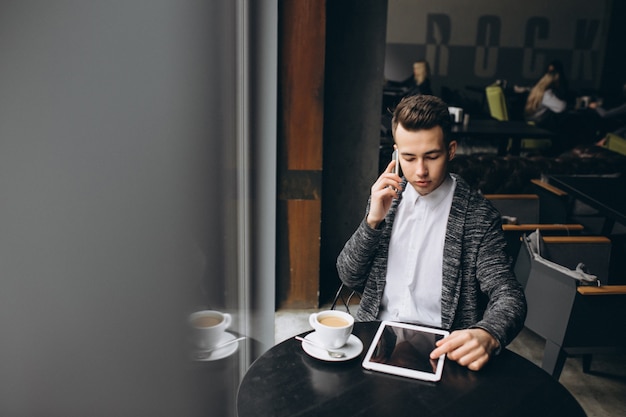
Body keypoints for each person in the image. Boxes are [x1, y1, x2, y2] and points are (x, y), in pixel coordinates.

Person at [336, 95, 527, 371]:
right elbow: (348, 275)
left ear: (451, 150)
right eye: (409, 158)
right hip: (374, 339)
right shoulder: (386, 198)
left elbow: (508, 294)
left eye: (432, 156)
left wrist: (488, 333)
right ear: (396, 153)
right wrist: (372, 221)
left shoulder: (479, 217)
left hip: (443, 351)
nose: (420, 171)